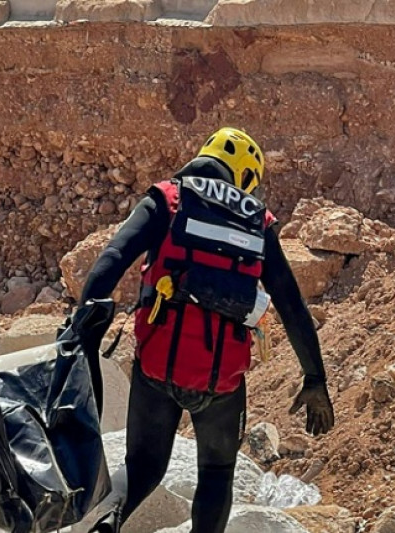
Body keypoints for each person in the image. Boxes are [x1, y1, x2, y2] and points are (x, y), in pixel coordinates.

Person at [78, 128, 335, 533]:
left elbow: (113, 256)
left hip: (157, 365)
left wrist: (84, 323)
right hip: (221, 384)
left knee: (143, 468)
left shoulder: (168, 198)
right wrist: (315, 378)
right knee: (216, 473)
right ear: (246, 177)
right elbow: (291, 306)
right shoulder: (258, 221)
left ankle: (109, 521)